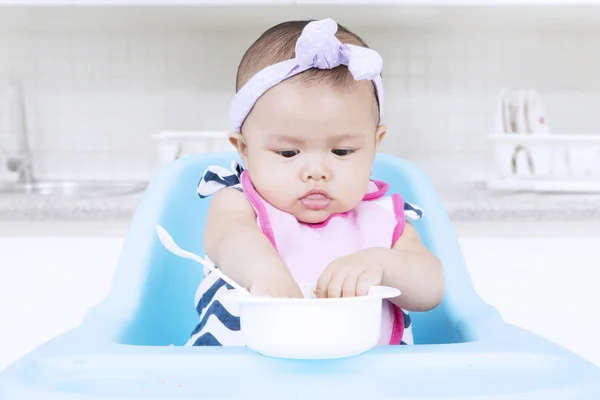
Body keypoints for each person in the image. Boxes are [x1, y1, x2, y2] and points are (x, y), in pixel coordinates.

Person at [187, 18, 443, 347]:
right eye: (289, 152)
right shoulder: (237, 205)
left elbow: (431, 289)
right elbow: (231, 241)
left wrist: (382, 263)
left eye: (342, 151)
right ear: (244, 150)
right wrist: (265, 273)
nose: (317, 171)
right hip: (245, 380)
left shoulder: (384, 221)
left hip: (367, 381)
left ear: (375, 143)